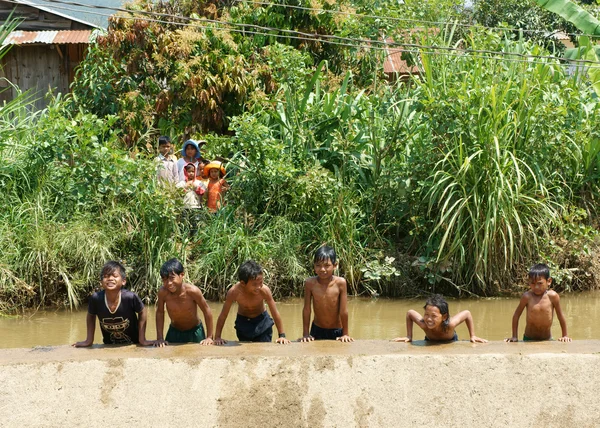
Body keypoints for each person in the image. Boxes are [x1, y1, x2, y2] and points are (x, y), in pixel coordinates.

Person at [73, 261, 153, 347]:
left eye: (115, 276)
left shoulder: (130, 297)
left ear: (123, 281)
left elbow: (142, 311)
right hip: (108, 344)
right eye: (106, 276)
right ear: (101, 282)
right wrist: (89, 340)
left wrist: (142, 339)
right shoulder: (96, 299)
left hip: (134, 343)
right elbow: (91, 315)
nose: (110, 279)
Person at [214, 260, 290, 345]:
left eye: (261, 282)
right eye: (254, 284)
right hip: (243, 322)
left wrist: (282, 335)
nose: (258, 287)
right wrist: (217, 337)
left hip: (262, 321)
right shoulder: (234, 292)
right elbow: (223, 315)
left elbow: (275, 313)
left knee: (263, 349)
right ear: (243, 283)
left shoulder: (264, 290)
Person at [154, 258, 214, 346]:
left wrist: (209, 337)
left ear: (182, 275)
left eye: (172, 278)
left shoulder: (193, 291)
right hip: (174, 331)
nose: (169, 283)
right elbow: (160, 312)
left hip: (195, 330)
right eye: (165, 279)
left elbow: (206, 310)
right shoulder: (163, 293)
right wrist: (160, 338)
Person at [505, 263, 571, 342]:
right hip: (528, 338)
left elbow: (561, 316)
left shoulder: (553, 296)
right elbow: (516, 315)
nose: (536, 287)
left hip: (547, 338)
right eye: (532, 283)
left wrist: (565, 335)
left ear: (549, 281)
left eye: (540, 283)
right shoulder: (527, 297)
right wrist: (514, 336)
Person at [301, 246, 353, 342]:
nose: (322, 269)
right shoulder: (310, 283)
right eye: (318, 265)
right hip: (317, 329)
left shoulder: (340, 283)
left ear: (335, 265)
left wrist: (345, 334)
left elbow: (343, 310)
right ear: (314, 266)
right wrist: (305, 334)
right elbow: (307, 309)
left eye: (327, 265)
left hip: (337, 330)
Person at [391, 294, 487, 343]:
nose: (429, 319)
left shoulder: (450, 324)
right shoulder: (424, 324)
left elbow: (467, 313)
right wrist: (409, 336)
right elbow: (410, 313)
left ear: (444, 317)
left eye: (434, 316)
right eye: (426, 314)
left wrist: (472, 336)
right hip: (429, 341)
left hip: (451, 340)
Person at [176, 163, 207, 235]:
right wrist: (185, 187)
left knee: (195, 222)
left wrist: (196, 188)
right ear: (185, 172)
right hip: (185, 206)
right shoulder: (182, 183)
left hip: (196, 206)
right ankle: (184, 237)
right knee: (184, 222)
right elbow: (177, 193)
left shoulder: (199, 183)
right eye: (189, 171)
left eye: (193, 171)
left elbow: (203, 192)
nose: (191, 173)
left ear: (195, 172)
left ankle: (195, 237)